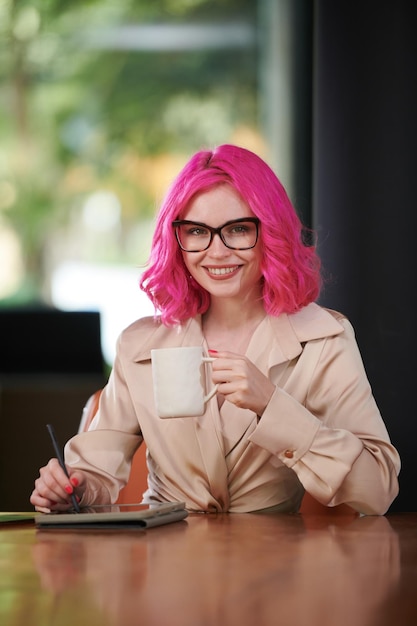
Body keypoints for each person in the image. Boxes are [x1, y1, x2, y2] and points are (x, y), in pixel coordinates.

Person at [30, 144, 400, 515]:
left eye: (238, 229)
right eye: (196, 231)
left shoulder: (324, 338)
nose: (217, 251)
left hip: (274, 564)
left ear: (271, 232)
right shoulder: (139, 345)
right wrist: (69, 488)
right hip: (166, 562)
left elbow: (377, 491)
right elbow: (93, 475)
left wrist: (272, 406)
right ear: (177, 240)